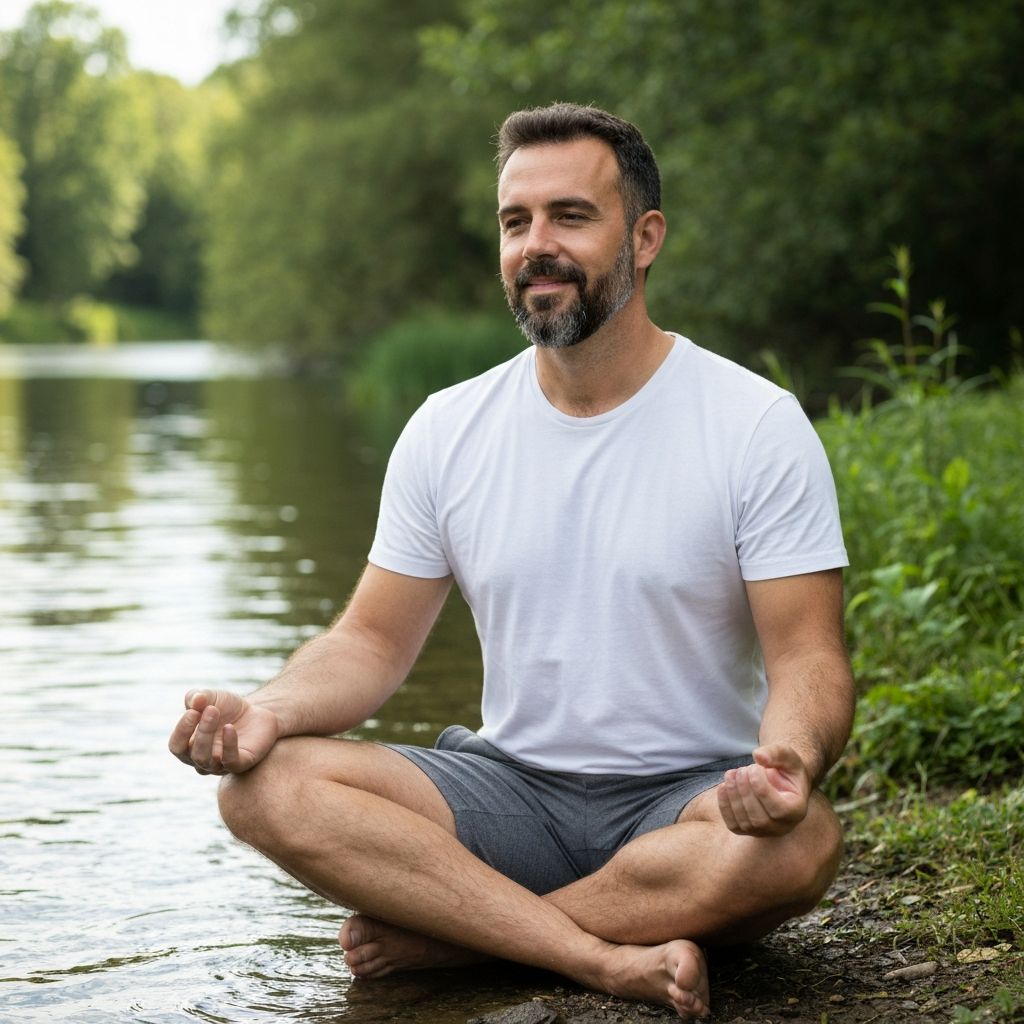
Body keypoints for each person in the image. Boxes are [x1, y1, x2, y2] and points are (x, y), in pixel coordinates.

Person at [169, 102, 855, 1020]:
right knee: (264, 788)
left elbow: (808, 657)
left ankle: (455, 939)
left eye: (571, 216)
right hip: (507, 797)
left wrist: (790, 764)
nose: (538, 244)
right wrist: (266, 711)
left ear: (644, 237)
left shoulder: (754, 425)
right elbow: (370, 643)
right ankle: (595, 954)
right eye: (515, 221)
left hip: (686, 802)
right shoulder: (449, 429)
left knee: (800, 844)